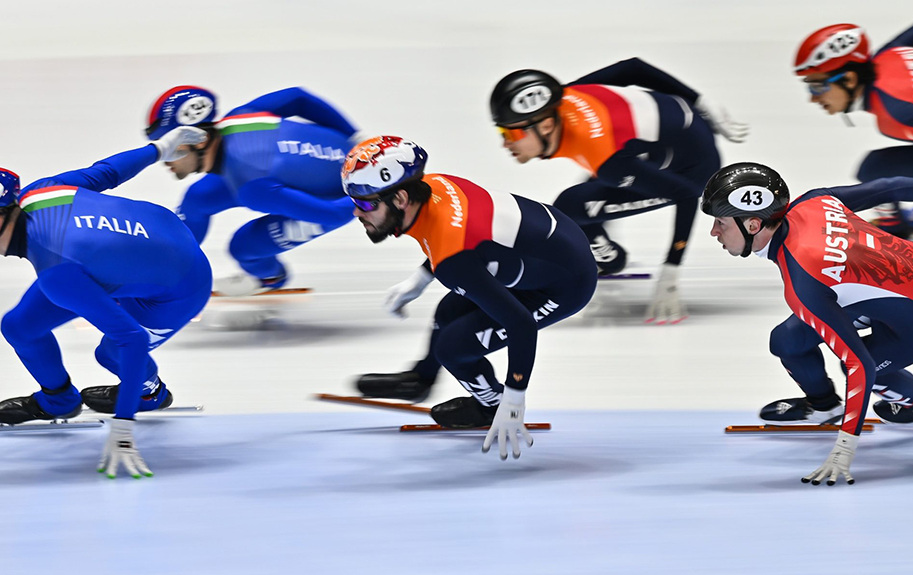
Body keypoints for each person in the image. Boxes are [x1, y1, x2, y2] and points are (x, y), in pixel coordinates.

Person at [0, 126, 212, 479]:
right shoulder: (40, 193)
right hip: (143, 244)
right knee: (20, 326)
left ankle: (151, 393)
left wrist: (124, 428)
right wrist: (160, 148)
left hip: (180, 284)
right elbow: (107, 172)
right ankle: (59, 401)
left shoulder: (56, 271)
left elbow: (133, 339)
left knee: (112, 353)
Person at [344, 136, 598, 460]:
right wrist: (419, 281)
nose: (356, 212)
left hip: (564, 285)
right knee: (450, 311)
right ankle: (421, 378)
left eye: (366, 203)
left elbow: (521, 324)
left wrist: (515, 398)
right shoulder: (435, 185)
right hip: (545, 247)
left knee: (454, 347)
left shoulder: (454, 261)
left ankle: (491, 405)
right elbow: (461, 238)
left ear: (401, 198)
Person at [701, 162, 913, 485]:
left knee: (855, 367)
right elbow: (893, 185)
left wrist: (845, 447)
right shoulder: (812, 202)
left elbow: (861, 366)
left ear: (754, 225)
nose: (714, 232)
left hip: (904, 320)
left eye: (720, 223)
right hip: (884, 295)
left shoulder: (804, 283)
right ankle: (823, 405)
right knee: (787, 340)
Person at [487, 61, 747, 324]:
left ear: (545, 127)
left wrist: (670, 271)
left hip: (689, 170)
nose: (505, 142)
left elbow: (687, 194)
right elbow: (631, 69)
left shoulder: (607, 159)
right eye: (501, 130)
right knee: (590, 191)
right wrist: (700, 102)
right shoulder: (565, 95)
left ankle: (610, 260)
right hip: (669, 131)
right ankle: (606, 253)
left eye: (512, 132)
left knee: (571, 207)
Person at [145, 85, 360, 295]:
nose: (163, 159)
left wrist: (369, 196)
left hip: (340, 198)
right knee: (198, 199)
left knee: (244, 249)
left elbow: (332, 214)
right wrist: (356, 138)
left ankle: (271, 278)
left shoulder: (251, 188)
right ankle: (164, 272)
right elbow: (297, 97)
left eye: (171, 149)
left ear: (200, 141)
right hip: (342, 155)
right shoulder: (240, 118)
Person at [794, 23, 913, 235]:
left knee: (876, 170)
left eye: (818, 86)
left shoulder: (897, 109)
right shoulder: (887, 57)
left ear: (849, 79)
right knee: (876, 168)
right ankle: (894, 227)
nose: (812, 98)